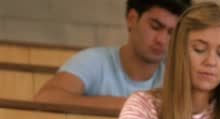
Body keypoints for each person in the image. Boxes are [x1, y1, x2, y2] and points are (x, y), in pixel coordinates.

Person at [34, 0, 191, 110]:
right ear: (132, 19)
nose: (162, 40)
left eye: (172, 33)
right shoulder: (93, 61)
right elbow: (46, 98)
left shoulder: (175, 76)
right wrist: (135, 107)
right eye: (155, 27)